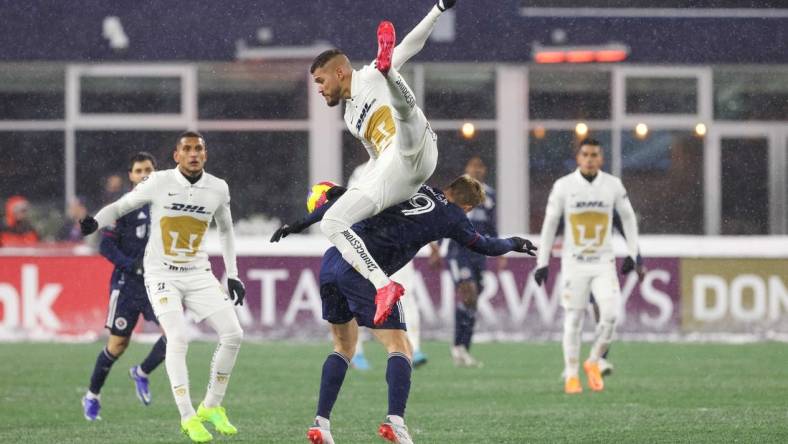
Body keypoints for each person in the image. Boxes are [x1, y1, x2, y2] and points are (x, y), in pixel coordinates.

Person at [271, 175, 536, 444]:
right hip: (365, 270)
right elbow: (485, 245)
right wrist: (515, 243)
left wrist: (297, 225)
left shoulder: (409, 186)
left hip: (333, 262)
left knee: (343, 347)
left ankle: (321, 424)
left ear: (449, 187)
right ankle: (395, 421)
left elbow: (343, 205)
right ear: (468, 207)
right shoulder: (454, 216)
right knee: (401, 346)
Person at [79, 132, 246, 443]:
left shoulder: (218, 188)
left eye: (199, 149)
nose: (194, 154)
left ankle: (211, 406)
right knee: (177, 337)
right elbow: (120, 206)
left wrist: (233, 274)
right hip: (161, 275)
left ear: (205, 155)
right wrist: (95, 222)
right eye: (187, 149)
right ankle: (187, 416)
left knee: (234, 334)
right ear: (176, 155)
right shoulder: (158, 182)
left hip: (198, 272)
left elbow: (226, 231)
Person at [309, 0, 457, 326]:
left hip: (418, 146)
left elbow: (412, 44)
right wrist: (353, 192)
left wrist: (439, 8)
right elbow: (376, 161)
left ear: (339, 72)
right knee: (332, 223)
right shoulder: (350, 118)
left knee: (404, 110)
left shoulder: (369, 75)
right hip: (400, 171)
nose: (319, 89)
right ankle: (384, 285)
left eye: (321, 81)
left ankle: (393, 72)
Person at [533, 138, 641, 394]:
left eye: (595, 154)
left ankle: (592, 361)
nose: (590, 159)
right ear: (578, 158)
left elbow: (628, 218)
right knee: (574, 319)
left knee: (611, 316)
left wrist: (632, 253)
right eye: (586, 154)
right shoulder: (564, 186)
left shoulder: (612, 185)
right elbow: (550, 224)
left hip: (604, 262)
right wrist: (543, 261)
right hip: (574, 263)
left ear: (601, 158)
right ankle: (571, 375)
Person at [81, 152, 168, 421]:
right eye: (138, 171)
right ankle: (92, 395)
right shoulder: (122, 206)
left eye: (148, 170)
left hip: (157, 283)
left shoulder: (166, 204)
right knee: (118, 345)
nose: (144, 175)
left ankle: (141, 373)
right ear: (130, 176)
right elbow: (105, 244)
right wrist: (130, 265)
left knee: (175, 336)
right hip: (128, 284)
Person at [345, 161, 428, 371]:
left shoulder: (406, 168)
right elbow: (350, 207)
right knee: (357, 297)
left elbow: (420, 206)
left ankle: (413, 348)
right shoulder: (362, 172)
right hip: (368, 243)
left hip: (399, 242)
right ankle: (356, 352)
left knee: (406, 295)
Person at [429, 155, 500, 367]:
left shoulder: (490, 195)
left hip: (479, 252)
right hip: (457, 251)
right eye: (473, 166)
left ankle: (462, 348)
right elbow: (441, 219)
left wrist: (499, 249)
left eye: (480, 167)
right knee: (468, 293)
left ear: (484, 171)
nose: (477, 170)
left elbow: (492, 225)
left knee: (472, 301)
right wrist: (435, 247)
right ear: (466, 169)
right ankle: (458, 346)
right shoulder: (456, 192)